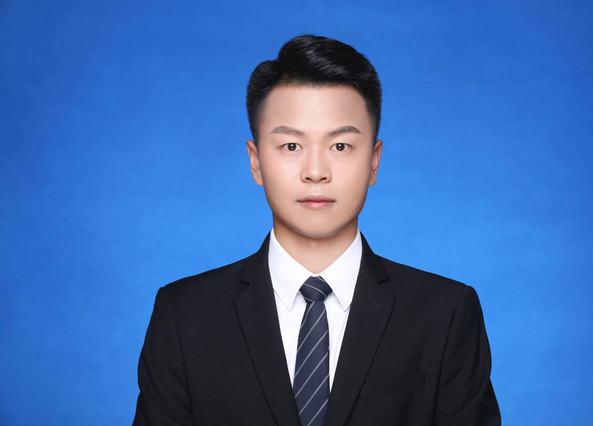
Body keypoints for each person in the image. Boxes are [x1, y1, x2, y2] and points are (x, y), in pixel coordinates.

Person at [133, 34, 501, 426]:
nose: (315, 172)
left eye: (340, 146)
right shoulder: (184, 315)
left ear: (374, 161)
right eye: (291, 146)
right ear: (255, 161)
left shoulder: (445, 313)